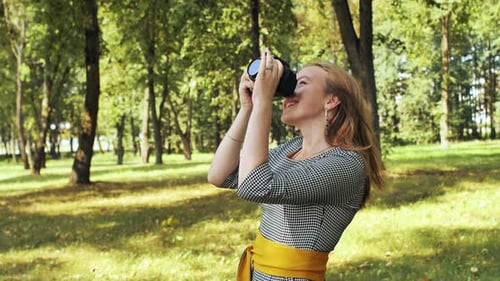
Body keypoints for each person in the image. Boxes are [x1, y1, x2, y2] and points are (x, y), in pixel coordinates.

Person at [207, 49, 384, 281]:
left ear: (331, 100)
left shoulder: (345, 164)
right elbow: (220, 175)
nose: (290, 91)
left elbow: (254, 187)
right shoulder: (291, 149)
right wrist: (248, 109)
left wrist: (263, 102)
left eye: (302, 83)